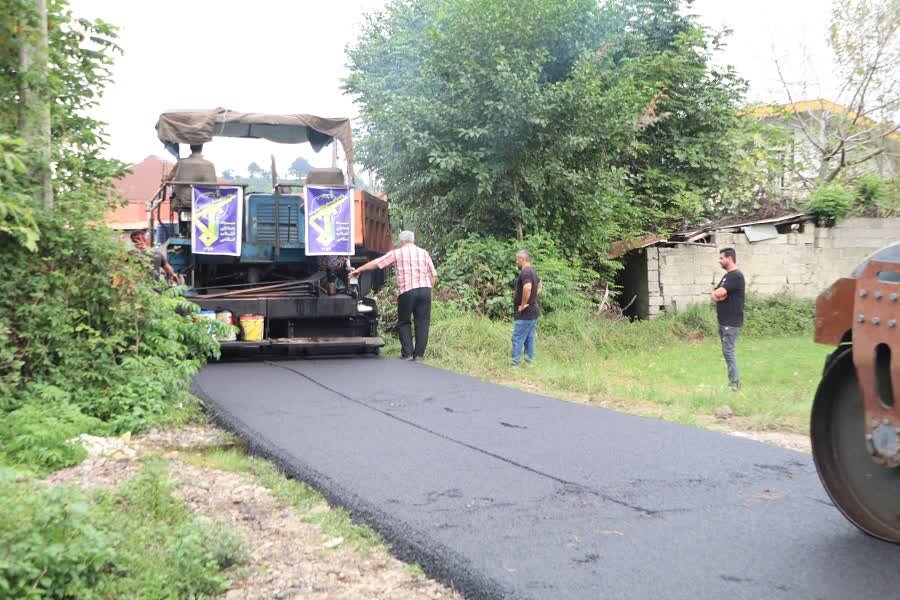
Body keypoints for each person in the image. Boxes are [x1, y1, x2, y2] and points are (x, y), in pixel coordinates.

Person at [349, 231, 437, 361]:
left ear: (401, 242)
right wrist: (429, 291)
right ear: (413, 240)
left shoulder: (397, 253)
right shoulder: (424, 253)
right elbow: (433, 274)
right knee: (422, 323)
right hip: (425, 289)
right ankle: (419, 355)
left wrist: (358, 269)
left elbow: (377, 263)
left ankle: (407, 354)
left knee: (404, 322)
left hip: (408, 291)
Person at [710, 247, 745, 391]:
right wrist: (717, 295)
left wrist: (718, 295)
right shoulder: (726, 276)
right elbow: (714, 294)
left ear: (729, 258)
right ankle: (733, 382)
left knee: (728, 352)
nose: (719, 261)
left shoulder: (735, 276)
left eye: (721, 258)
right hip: (724, 321)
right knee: (727, 351)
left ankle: (734, 384)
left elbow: (719, 292)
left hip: (731, 322)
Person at [512, 249, 542, 367]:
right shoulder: (533, 272)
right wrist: (532, 298)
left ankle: (515, 365)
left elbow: (527, 288)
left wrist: (524, 304)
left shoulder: (525, 272)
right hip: (533, 312)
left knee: (517, 338)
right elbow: (539, 286)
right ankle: (529, 364)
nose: (516, 261)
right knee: (529, 339)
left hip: (526, 313)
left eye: (517, 259)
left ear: (522, 259)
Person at [167, 144, 217, 212]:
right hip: (203, 201)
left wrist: (166, 180)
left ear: (190, 147)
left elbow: (169, 178)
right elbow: (214, 186)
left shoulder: (181, 162)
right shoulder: (210, 164)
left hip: (182, 201)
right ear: (202, 148)